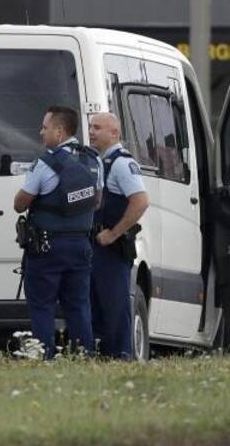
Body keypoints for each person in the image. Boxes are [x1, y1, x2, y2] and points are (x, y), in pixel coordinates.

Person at [14, 106, 102, 358]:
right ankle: (83, 356)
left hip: (47, 248)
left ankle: (45, 357)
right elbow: (97, 201)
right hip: (80, 246)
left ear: (60, 131)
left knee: (42, 306)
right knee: (79, 305)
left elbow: (21, 203)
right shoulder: (93, 159)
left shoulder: (45, 163)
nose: (41, 132)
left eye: (45, 127)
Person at [88, 112, 149, 359]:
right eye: (91, 127)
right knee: (98, 305)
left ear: (115, 133)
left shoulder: (123, 164)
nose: (92, 132)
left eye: (98, 128)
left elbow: (141, 201)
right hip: (98, 248)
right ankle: (105, 356)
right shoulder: (103, 162)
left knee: (114, 305)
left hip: (112, 250)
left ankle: (121, 357)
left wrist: (114, 234)